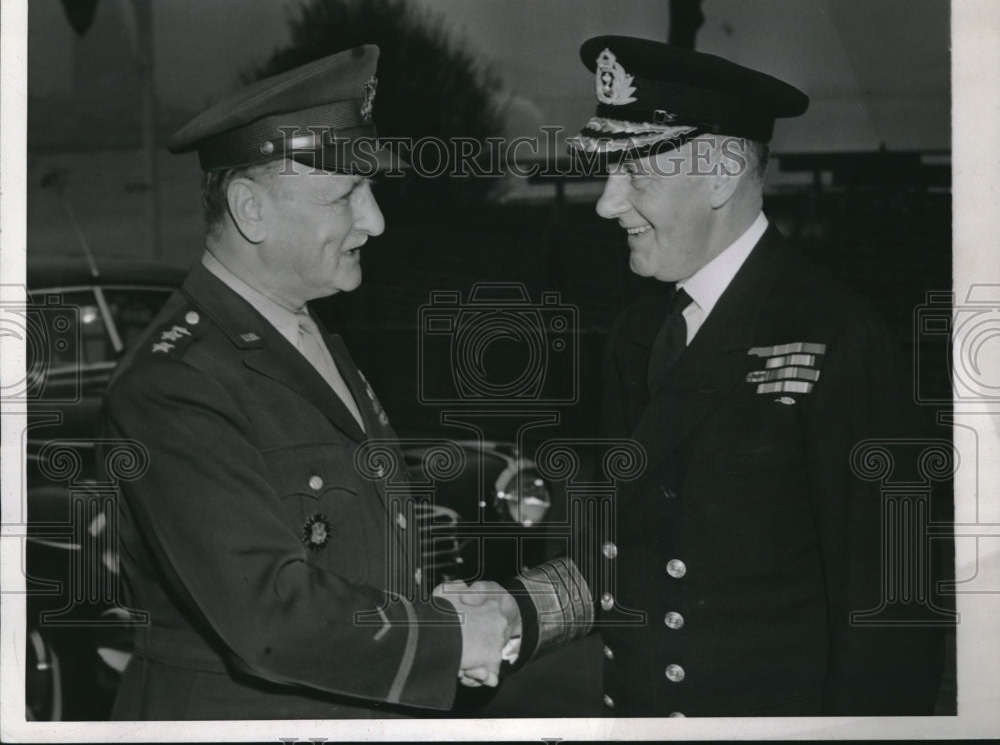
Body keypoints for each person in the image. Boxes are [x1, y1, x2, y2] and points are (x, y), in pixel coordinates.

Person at [459, 35, 947, 717]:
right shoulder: (637, 334)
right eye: (607, 173)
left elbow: (893, 619)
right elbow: (628, 552)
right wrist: (513, 609)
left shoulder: (839, 339)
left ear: (719, 176)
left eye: (636, 175)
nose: (606, 204)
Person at [97, 45, 512, 720]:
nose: (374, 221)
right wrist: (455, 634)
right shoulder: (175, 383)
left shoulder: (304, 332)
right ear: (250, 210)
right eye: (346, 195)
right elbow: (269, 614)